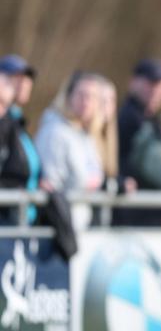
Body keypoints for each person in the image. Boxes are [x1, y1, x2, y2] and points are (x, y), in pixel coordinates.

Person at [34, 71, 105, 229]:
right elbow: (52, 183)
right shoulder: (55, 132)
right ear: (68, 96)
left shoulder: (85, 134)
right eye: (81, 95)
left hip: (79, 222)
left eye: (92, 97)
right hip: (59, 227)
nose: (86, 102)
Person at [0, 55, 41, 223]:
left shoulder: (16, 119)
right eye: (15, 79)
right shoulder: (6, 119)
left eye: (27, 79)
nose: (25, 84)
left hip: (21, 212)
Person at [118, 58, 161, 178]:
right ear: (133, 82)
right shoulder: (128, 118)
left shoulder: (151, 119)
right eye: (150, 84)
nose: (156, 90)